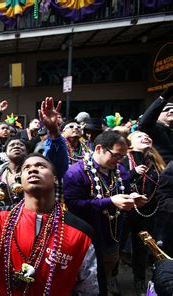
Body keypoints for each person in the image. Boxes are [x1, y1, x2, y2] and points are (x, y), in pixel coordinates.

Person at [0, 153, 103, 295]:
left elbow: (90, 288)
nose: (33, 169)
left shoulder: (81, 233)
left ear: (55, 179)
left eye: (41, 166)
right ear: (21, 180)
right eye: (27, 168)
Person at [63, 130, 147, 295]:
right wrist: (110, 201)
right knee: (81, 280)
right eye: (116, 155)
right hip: (84, 240)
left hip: (112, 235)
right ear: (99, 148)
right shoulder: (76, 172)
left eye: (122, 156)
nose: (119, 161)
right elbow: (72, 205)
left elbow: (123, 191)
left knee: (106, 273)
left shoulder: (120, 171)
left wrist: (132, 197)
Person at [122, 131, 165, 294]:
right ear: (130, 144)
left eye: (148, 136)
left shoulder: (156, 162)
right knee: (117, 246)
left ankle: (140, 280)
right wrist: (133, 173)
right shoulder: (125, 159)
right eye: (140, 136)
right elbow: (116, 181)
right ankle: (111, 277)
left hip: (148, 212)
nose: (146, 137)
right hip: (126, 210)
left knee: (141, 249)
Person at [138, 84, 173, 163]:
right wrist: (165, 96)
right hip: (162, 170)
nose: (171, 111)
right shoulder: (154, 128)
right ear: (157, 114)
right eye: (166, 109)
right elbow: (144, 123)